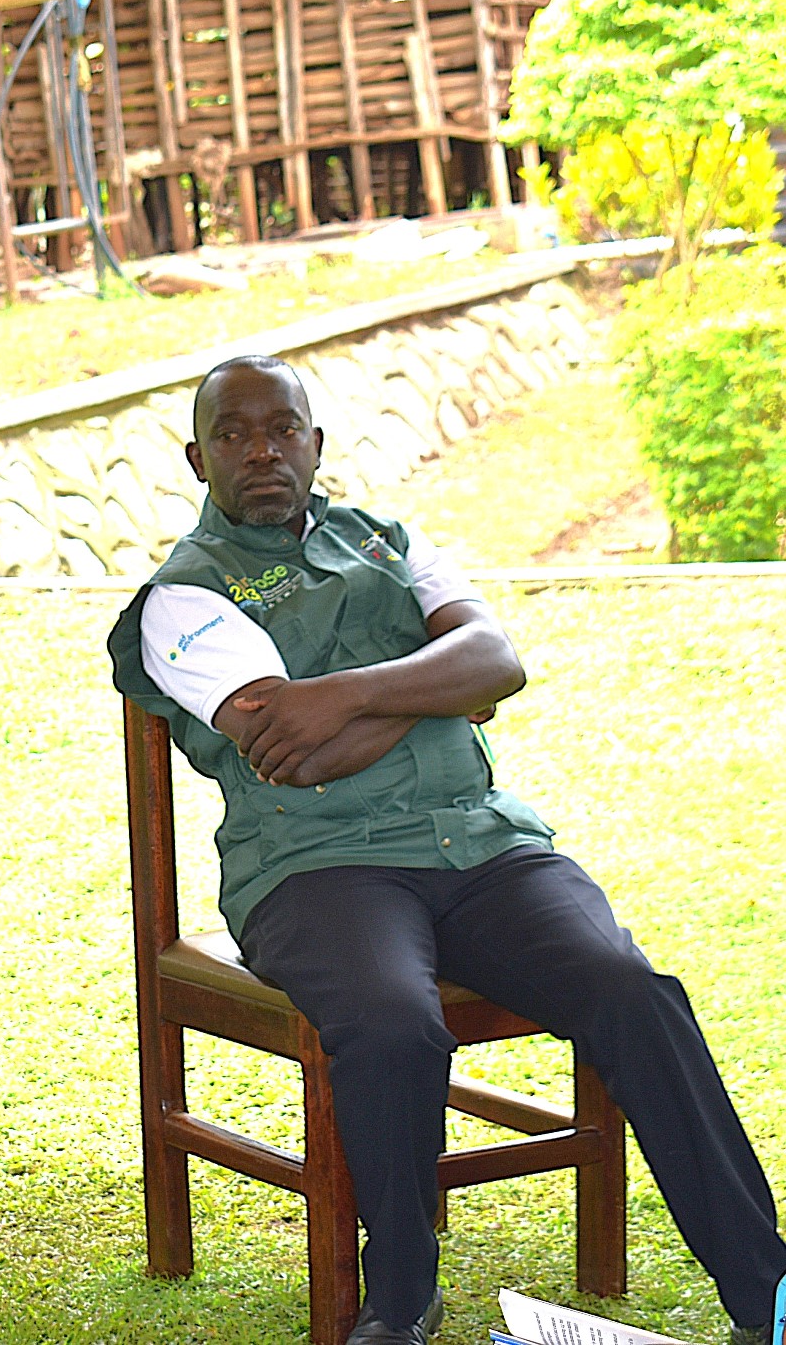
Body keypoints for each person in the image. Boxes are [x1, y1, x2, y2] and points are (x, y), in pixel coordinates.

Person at [107, 354, 786, 1345]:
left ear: (315, 441)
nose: (262, 449)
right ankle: (398, 1297)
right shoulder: (183, 592)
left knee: (629, 986)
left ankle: (762, 1288)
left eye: (283, 427)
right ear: (196, 455)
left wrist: (338, 690)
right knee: (390, 1021)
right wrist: (436, 688)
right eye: (234, 432)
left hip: (478, 843)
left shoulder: (388, 539)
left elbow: (496, 659)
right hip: (315, 865)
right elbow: (290, 753)